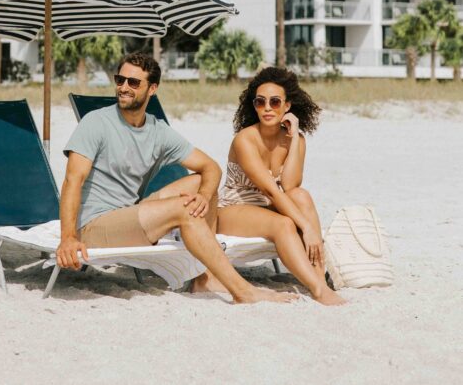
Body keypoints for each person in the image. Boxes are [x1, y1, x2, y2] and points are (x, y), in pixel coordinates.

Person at [56, 52, 294, 304]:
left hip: (129, 214)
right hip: (93, 225)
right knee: (184, 209)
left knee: (201, 182)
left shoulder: (157, 130)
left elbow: (211, 167)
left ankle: (207, 278)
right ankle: (243, 291)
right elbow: (73, 181)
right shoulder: (96, 122)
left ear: (152, 89)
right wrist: (68, 237)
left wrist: (203, 195)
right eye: (120, 80)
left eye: (133, 83)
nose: (124, 87)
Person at [217, 66, 345, 306]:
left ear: (287, 106)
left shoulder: (294, 139)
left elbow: (290, 184)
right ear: (253, 105)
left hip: (268, 206)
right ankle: (319, 290)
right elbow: (270, 190)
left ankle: (318, 276)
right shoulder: (245, 139)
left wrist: (295, 137)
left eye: (275, 102)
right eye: (260, 102)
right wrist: (306, 227)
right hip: (234, 208)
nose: (267, 108)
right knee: (285, 223)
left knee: (302, 196)